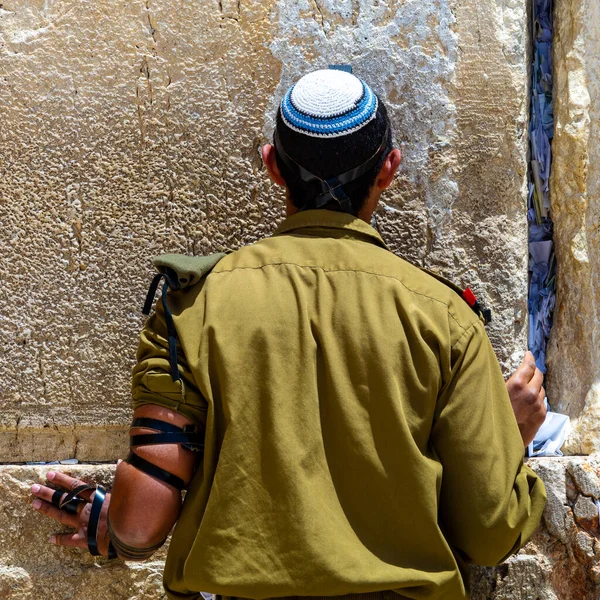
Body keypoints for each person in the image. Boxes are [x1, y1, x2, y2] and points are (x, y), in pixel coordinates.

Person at [30, 68, 547, 600]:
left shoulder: (192, 306)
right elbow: (490, 534)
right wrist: (505, 439)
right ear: (389, 168)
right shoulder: (444, 318)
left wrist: (112, 525)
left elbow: (140, 524)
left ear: (273, 167)